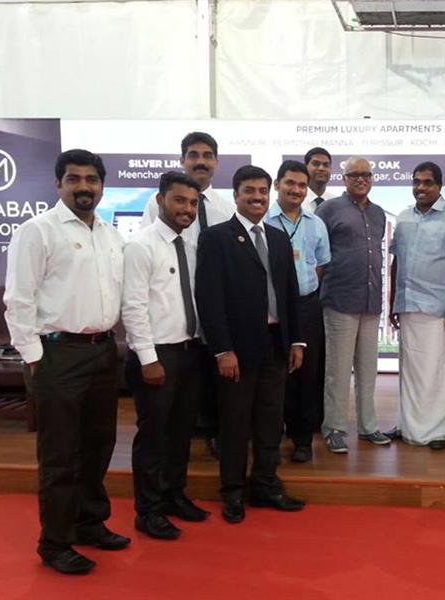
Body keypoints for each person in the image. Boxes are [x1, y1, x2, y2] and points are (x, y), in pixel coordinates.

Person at [4, 149, 130, 574]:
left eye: (91, 179)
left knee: (98, 446)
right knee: (60, 455)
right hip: (57, 354)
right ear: (58, 184)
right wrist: (34, 357)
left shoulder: (111, 236)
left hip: (102, 352)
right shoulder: (37, 231)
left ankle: (89, 523)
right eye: (73, 179)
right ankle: (55, 542)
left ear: (102, 186)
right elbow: (19, 299)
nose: (83, 187)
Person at [195, 165, 306, 523]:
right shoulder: (216, 238)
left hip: (276, 344)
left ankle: (265, 486)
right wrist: (222, 349)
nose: (257, 197)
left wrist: (296, 340)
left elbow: (290, 293)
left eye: (262, 191)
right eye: (250, 191)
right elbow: (209, 299)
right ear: (236, 195)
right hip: (237, 350)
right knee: (235, 423)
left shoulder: (278, 237)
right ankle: (232, 492)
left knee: (270, 421)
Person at [122, 172, 210, 542]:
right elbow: (133, 307)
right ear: (161, 201)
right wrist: (148, 358)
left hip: (190, 353)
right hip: (157, 356)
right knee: (153, 436)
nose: (187, 208)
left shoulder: (191, 245)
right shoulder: (140, 246)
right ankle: (149, 511)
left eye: (192, 203)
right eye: (179, 200)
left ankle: (174, 495)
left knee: (180, 433)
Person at [140, 131, 234, 459]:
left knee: (213, 378)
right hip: (175, 311)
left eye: (207, 156)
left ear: (216, 162)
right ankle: (184, 435)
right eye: (193, 155)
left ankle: (212, 431)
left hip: (216, 307)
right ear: (182, 160)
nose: (200, 161)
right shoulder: (156, 206)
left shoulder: (226, 207)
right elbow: (149, 253)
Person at [389, 162, 445, 449]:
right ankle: (408, 425)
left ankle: (440, 431)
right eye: (416, 182)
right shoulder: (403, 217)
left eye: (427, 182)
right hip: (407, 305)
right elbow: (396, 261)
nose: (420, 187)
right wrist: (393, 301)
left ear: (439, 186)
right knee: (410, 371)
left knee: (438, 371)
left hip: (439, 308)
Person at [315, 157, 391, 453]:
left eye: (366, 174)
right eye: (354, 174)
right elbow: (318, 252)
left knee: (368, 369)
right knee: (337, 370)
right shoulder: (328, 209)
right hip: (340, 300)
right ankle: (333, 428)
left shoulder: (378, 212)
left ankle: (368, 426)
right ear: (344, 179)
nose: (361, 179)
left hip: (370, 302)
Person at [265, 160, 332, 463]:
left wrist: (301, 290)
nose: (296, 190)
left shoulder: (316, 224)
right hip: (271, 310)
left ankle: (302, 439)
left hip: (306, 307)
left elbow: (321, 263)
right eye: (290, 183)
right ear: (277, 185)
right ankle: (270, 436)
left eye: (302, 185)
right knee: (273, 373)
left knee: (307, 374)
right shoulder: (263, 221)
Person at [303, 147, 333, 213]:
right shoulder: (296, 202)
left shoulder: (336, 204)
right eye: (316, 164)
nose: (321, 168)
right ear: (305, 167)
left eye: (326, 165)